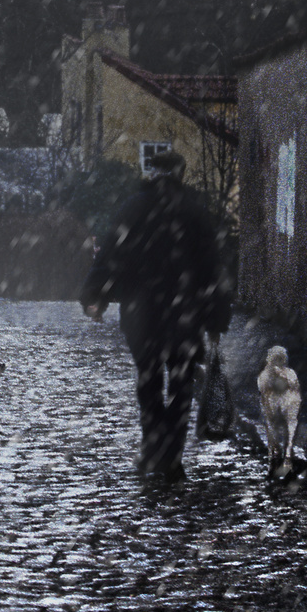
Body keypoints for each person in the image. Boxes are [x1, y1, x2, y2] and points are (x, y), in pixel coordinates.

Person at [80, 148, 232, 481]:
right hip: (185, 315)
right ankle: (172, 455)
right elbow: (213, 269)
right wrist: (216, 319)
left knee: (148, 381)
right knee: (180, 386)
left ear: (152, 174)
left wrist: (95, 297)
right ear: (181, 174)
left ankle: (153, 445)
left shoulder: (133, 208)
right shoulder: (194, 212)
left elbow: (109, 257)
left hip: (142, 314)